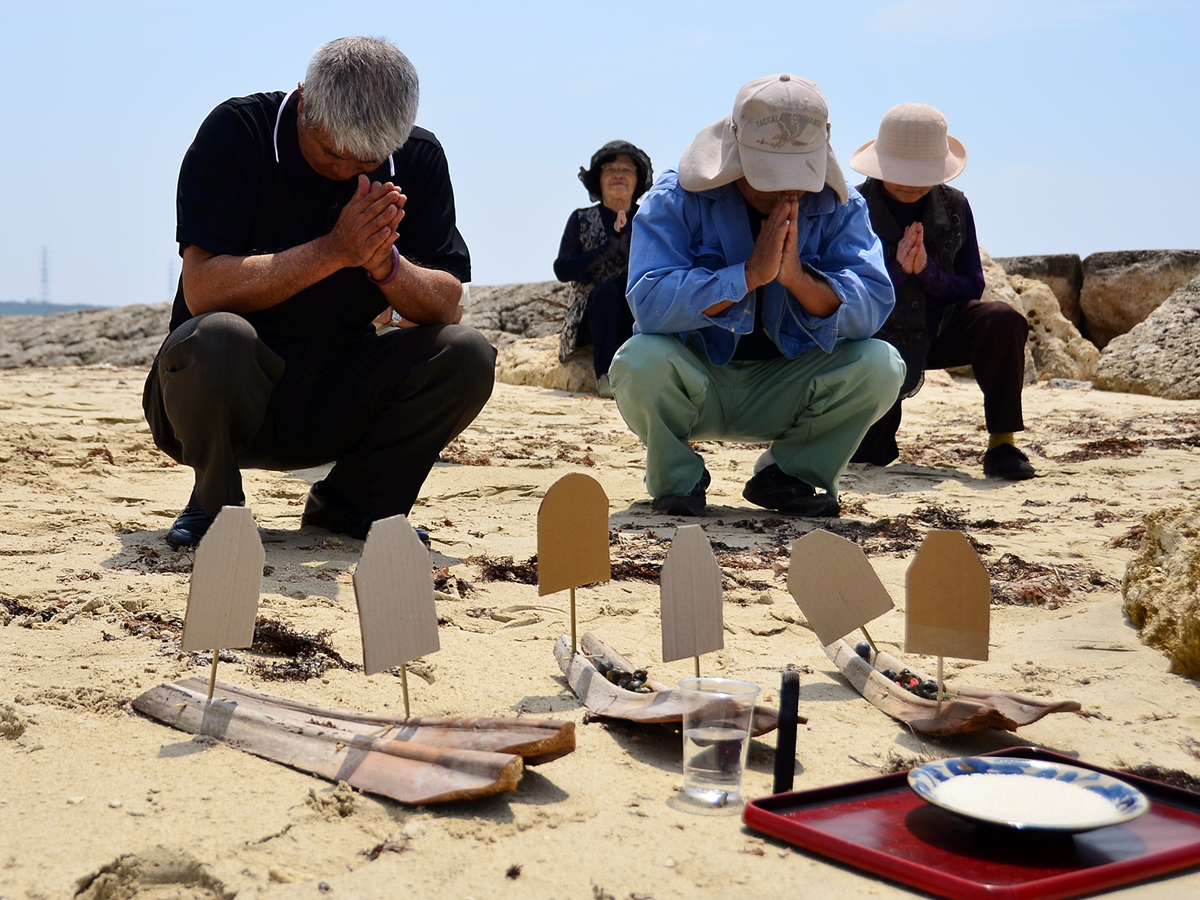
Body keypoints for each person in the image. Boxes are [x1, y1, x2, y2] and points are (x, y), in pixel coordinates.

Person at [143, 36, 496, 549]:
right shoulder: (239, 131)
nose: (346, 171)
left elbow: (448, 304)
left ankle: (356, 507)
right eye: (331, 153)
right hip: (215, 397)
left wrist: (387, 266)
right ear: (304, 101)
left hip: (337, 393)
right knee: (218, 335)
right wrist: (335, 250)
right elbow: (203, 290)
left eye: (366, 162)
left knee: (466, 353)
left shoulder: (418, 158)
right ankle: (215, 503)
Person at [609, 74, 905, 517]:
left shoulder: (842, 207)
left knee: (881, 364)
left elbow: (873, 306)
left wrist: (797, 279)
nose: (787, 190)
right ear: (736, 157)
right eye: (769, 176)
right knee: (638, 360)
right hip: (697, 383)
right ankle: (678, 479)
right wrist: (747, 276)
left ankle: (789, 475)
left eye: (799, 175)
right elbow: (649, 305)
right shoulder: (675, 198)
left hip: (789, 386)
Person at [847, 103, 1034, 479]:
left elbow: (972, 285)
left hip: (939, 327)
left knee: (1001, 319)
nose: (912, 183)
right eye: (901, 173)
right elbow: (844, 286)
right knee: (871, 453)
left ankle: (1003, 443)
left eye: (923, 174)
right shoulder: (853, 206)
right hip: (877, 339)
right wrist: (898, 272)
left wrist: (928, 273)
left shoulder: (956, 205)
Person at [553, 141, 653, 398]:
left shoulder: (650, 220)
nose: (619, 174)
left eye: (627, 169)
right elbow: (563, 268)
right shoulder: (581, 219)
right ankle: (605, 376)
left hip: (637, 313)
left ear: (637, 181)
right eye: (610, 169)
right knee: (608, 292)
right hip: (592, 317)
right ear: (598, 180)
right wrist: (607, 249)